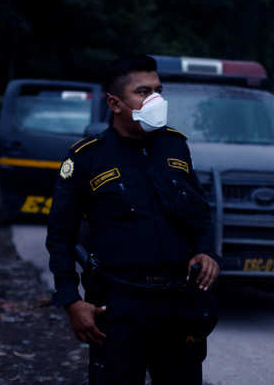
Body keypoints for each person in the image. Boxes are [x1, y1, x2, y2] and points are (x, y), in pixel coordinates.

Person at [46, 55, 219, 385]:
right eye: (143, 92)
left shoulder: (175, 146)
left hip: (178, 304)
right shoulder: (88, 157)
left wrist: (206, 251)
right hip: (120, 307)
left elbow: (200, 213)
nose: (155, 100)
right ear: (115, 103)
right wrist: (71, 300)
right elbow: (60, 235)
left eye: (158, 90)